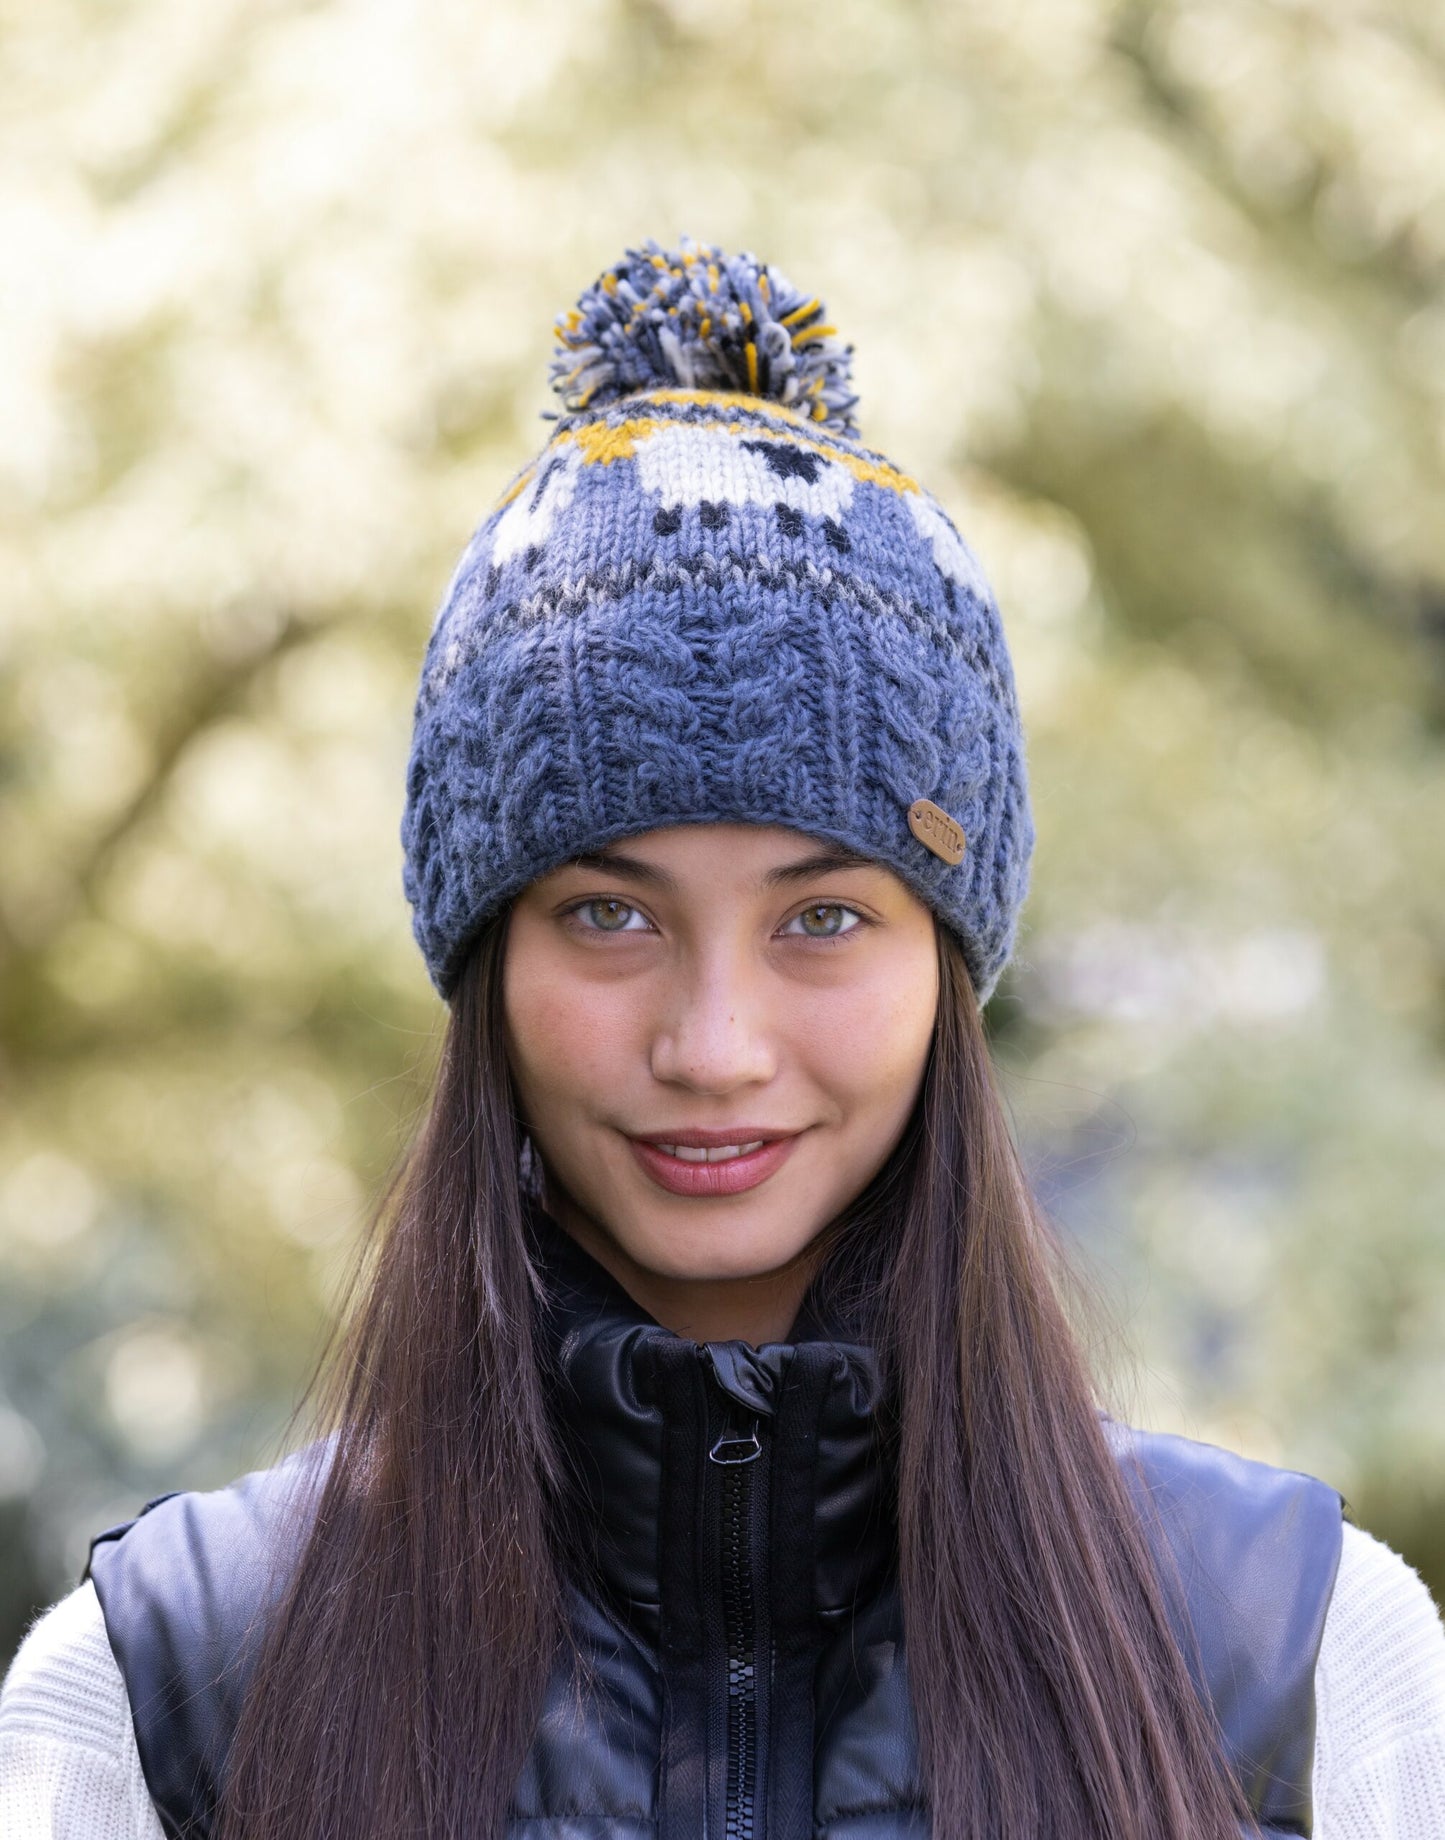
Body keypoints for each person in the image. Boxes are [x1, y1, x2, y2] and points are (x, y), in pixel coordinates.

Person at [2, 235, 1443, 1840]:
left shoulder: (1291, 1656)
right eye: (608, 916)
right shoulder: (167, 1681)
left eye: (822, 919)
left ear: (947, 976)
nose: (712, 1044)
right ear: (486, 966)